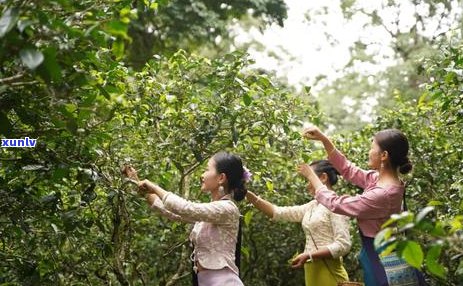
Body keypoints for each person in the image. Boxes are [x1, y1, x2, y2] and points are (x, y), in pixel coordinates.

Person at [299, 126, 418, 286]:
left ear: (384, 155)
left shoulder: (383, 193)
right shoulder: (379, 179)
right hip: (376, 251)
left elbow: (335, 204)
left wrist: (312, 177)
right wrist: (324, 140)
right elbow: (349, 170)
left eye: (372, 148)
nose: (369, 152)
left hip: (381, 255)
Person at [123, 151, 248, 286]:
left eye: (207, 170)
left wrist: (154, 187)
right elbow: (171, 212)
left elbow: (185, 208)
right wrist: (136, 180)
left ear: (221, 178)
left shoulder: (227, 209)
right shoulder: (212, 212)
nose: (202, 175)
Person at [245, 160, 352, 286]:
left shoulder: (336, 205)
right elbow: (278, 212)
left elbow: (343, 244)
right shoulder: (312, 206)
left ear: (323, 177)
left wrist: (309, 255)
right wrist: (247, 194)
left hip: (330, 272)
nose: (307, 185)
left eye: (309, 179)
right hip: (312, 271)